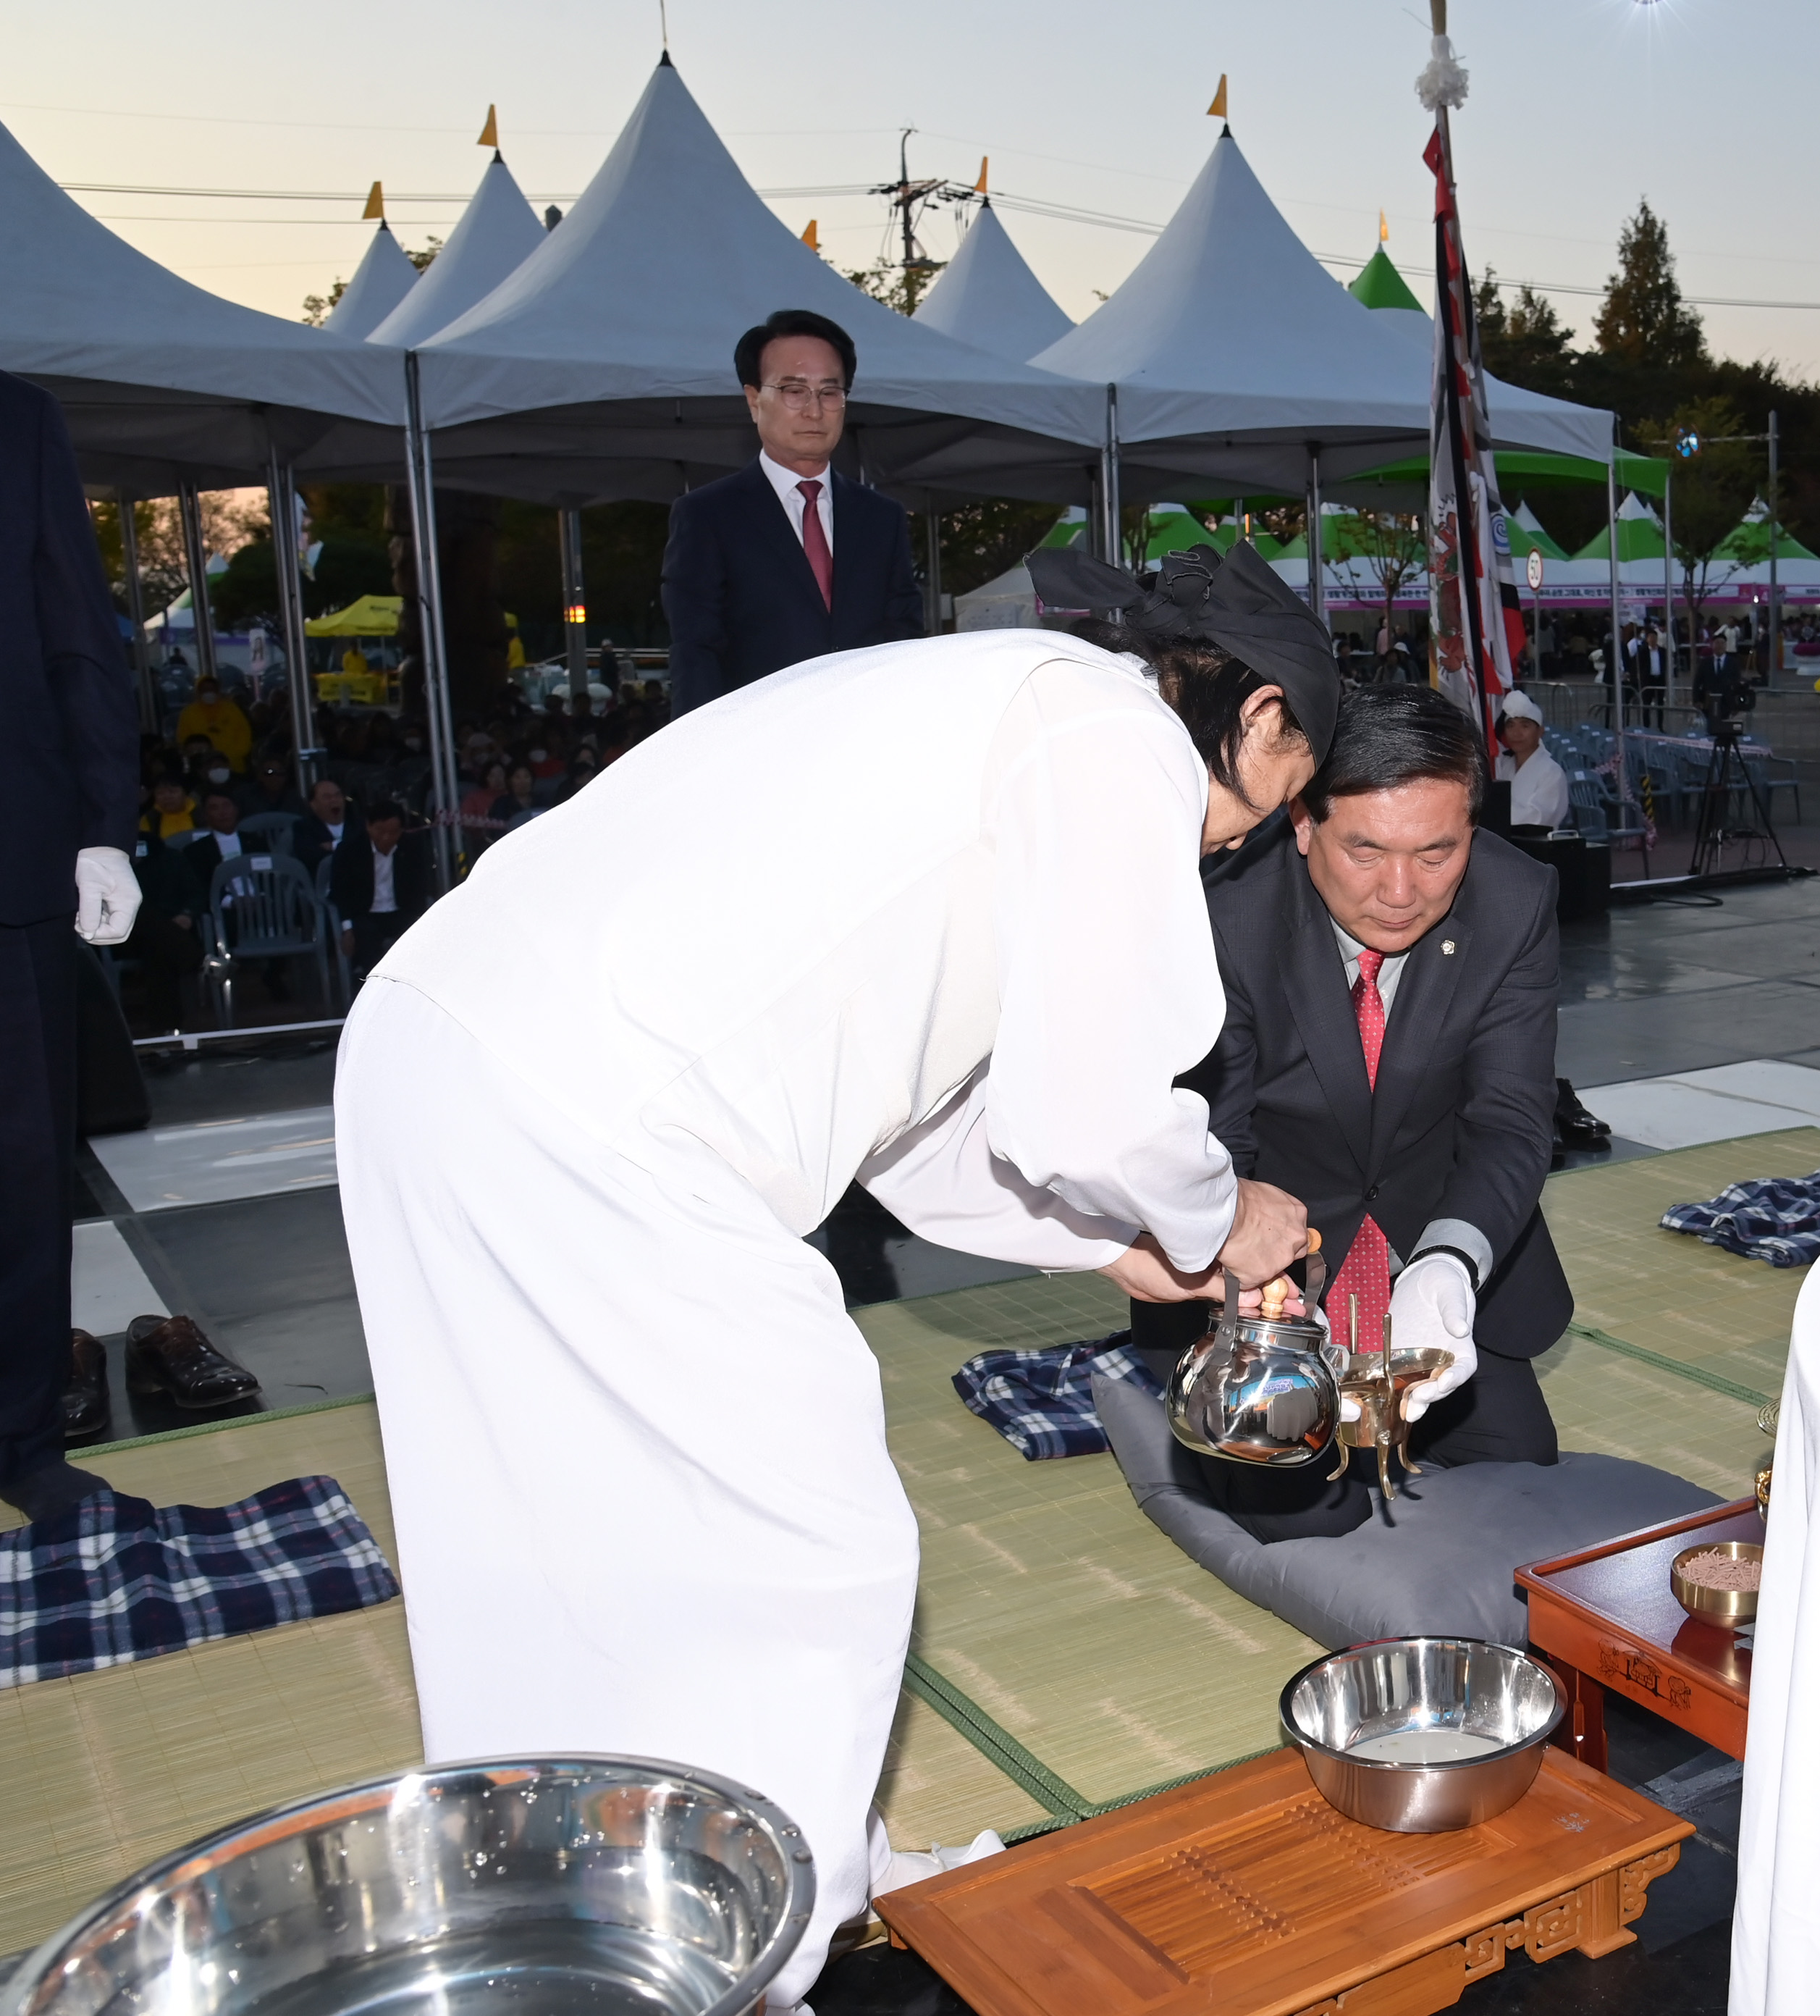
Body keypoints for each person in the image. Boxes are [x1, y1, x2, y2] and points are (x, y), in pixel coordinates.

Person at [335, 539, 1329, 2008]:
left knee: (561, 1543)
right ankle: (768, 1946)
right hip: (600, 1114)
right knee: (817, 1541)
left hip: (446, 1055)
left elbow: (917, 1137)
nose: (1235, 850)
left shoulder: (997, 706)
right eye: (1267, 813)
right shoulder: (1113, 732)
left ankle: (602, 1922)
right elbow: (1101, 1112)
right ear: (1250, 721)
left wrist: (1128, 1244)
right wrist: (1224, 1213)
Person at [1126, 681, 1560, 1541]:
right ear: (1301, 823)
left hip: (1432, 1247)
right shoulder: (1224, 911)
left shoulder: (1515, 900)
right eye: (1365, 850)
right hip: (1272, 1270)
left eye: (1438, 852)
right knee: (1309, 1523)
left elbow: (1510, 1120)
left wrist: (1449, 1265)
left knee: (1524, 1495)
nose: (1401, 890)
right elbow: (1222, 1139)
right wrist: (1274, 1297)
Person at [1, 371, 139, 1521]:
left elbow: (77, 630)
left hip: (15, 855)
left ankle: (23, 1436)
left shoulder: (17, 418)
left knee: (25, 1170)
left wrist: (105, 828)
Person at [662, 308, 924, 715]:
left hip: (867, 740)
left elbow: (904, 640)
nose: (814, 411)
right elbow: (696, 653)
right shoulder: (708, 516)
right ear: (754, 401)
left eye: (830, 392)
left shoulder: (882, 518)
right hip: (757, 746)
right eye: (794, 390)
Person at [329, 803, 439, 975]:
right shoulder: (349, 850)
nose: (386, 837)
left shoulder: (412, 848)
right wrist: (347, 928)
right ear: (368, 826)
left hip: (400, 909)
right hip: (365, 912)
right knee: (366, 938)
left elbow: (421, 886)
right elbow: (341, 891)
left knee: (419, 936)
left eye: (393, 832)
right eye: (380, 831)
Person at [1494, 689, 1570, 831]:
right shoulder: (1504, 764)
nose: (1517, 733)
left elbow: (1538, 817)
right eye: (1511, 725)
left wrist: (1492, 811)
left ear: (1540, 731)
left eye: (1525, 726)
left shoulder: (1552, 772)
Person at [175, 678, 253, 774]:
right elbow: (184, 740)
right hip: (201, 769)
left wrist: (231, 756)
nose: (209, 692)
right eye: (205, 690)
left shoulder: (232, 710)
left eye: (212, 689)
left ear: (218, 690)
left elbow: (245, 736)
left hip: (233, 766)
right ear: (198, 692)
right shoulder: (188, 713)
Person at [291, 775, 358, 874]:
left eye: (338, 795)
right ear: (313, 804)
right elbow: (311, 857)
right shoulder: (303, 827)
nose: (334, 800)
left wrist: (334, 846)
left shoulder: (357, 823)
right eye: (327, 797)